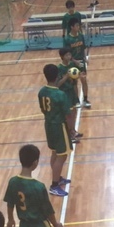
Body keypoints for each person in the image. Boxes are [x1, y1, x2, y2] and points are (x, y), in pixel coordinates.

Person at [38, 64, 73, 196]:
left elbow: (42, 109)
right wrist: (71, 130)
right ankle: (54, 185)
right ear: (58, 76)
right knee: (62, 155)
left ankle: (57, 178)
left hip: (48, 124)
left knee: (54, 152)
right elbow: (68, 115)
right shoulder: (60, 94)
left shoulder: (42, 91)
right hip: (59, 126)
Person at [64, 18, 90, 108]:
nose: (78, 27)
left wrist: (85, 58)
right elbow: (66, 53)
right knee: (74, 82)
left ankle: (85, 99)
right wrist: (75, 61)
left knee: (84, 80)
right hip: (72, 63)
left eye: (79, 25)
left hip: (81, 62)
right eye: (77, 26)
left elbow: (83, 48)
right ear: (72, 27)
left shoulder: (81, 36)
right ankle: (76, 100)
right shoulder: (67, 39)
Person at [57, 47, 82, 143]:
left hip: (72, 92)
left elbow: (75, 81)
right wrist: (66, 77)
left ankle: (73, 130)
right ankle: (69, 134)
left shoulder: (72, 65)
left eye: (70, 54)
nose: (69, 56)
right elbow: (58, 84)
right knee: (68, 115)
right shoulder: (59, 68)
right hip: (65, 93)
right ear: (62, 57)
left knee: (74, 112)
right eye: (67, 55)